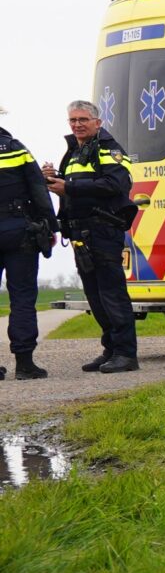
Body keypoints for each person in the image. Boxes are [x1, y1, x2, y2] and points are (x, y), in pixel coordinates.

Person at [45, 100, 138, 373]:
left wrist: (69, 187)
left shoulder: (110, 149)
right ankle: (111, 350)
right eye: (72, 120)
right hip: (81, 233)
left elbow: (115, 184)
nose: (77, 124)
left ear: (98, 122)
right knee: (95, 297)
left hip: (103, 231)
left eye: (83, 119)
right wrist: (54, 179)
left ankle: (126, 354)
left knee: (112, 294)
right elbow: (79, 185)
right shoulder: (75, 152)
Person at [0, 105, 54, 378]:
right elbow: (38, 190)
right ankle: (24, 364)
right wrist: (51, 227)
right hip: (19, 231)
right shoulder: (16, 149)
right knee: (22, 297)